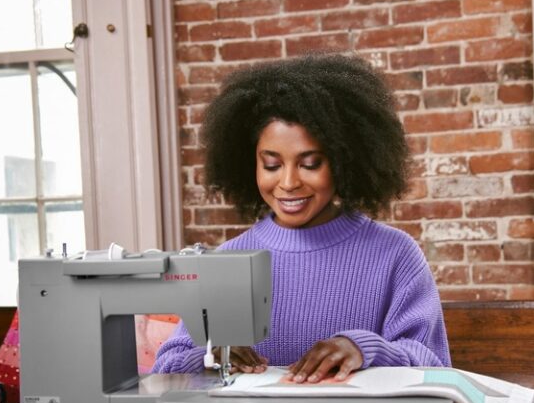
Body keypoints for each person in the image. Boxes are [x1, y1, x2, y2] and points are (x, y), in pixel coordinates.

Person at [153, 53, 451, 383]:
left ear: (343, 162)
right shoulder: (229, 259)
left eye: (310, 164)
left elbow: (434, 364)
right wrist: (206, 356)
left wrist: (365, 349)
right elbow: (166, 364)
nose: (289, 182)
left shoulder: (395, 255)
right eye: (271, 165)